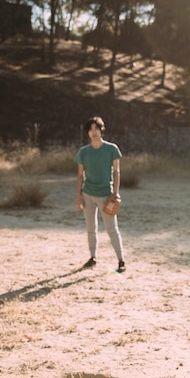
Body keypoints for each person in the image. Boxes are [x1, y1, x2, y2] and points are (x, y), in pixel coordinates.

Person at [75, 116, 126, 273]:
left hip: (106, 195)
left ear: (101, 130)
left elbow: (116, 171)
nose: (93, 132)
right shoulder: (83, 152)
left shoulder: (112, 149)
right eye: (90, 129)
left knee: (112, 228)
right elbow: (80, 175)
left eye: (96, 128)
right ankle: (92, 258)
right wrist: (79, 196)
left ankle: (121, 261)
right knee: (91, 228)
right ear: (87, 133)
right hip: (88, 194)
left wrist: (115, 193)